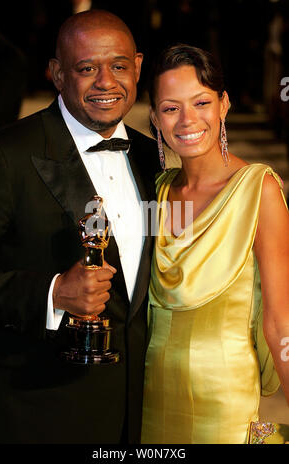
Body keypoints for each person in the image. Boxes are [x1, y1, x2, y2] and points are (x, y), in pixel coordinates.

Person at [0, 10, 159, 444]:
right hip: (39, 415)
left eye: (119, 66)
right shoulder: (5, 155)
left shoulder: (153, 157)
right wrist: (52, 293)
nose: (106, 81)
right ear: (57, 74)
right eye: (87, 68)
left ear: (138, 66)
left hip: (138, 418)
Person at [141, 44, 289, 444]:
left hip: (225, 403)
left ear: (223, 105)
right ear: (154, 117)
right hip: (150, 400)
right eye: (171, 108)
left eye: (201, 102)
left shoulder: (260, 189)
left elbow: (280, 321)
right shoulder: (156, 192)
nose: (188, 120)